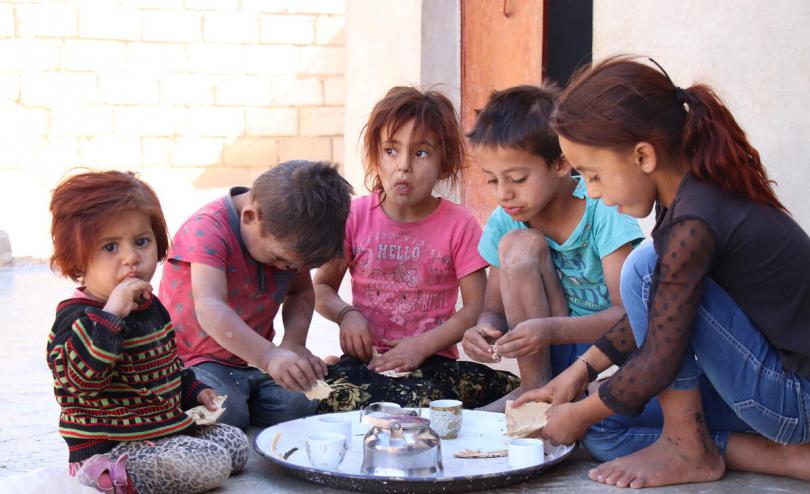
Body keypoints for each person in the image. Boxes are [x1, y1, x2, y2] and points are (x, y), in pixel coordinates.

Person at [514, 56, 810, 488]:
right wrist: (577, 377)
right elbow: (663, 316)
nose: (591, 192)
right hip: (765, 387)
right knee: (602, 427)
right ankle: (787, 460)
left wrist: (576, 413)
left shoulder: (696, 219)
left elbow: (660, 355)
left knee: (644, 269)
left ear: (642, 156)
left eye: (594, 176)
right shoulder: (686, 203)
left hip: (794, 399)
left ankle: (688, 447)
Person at [314, 86, 519, 411]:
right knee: (319, 398)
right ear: (375, 155)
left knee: (435, 400)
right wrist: (346, 315)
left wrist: (423, 345)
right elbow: (322, 287)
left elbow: (474, 308)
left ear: (444, 161)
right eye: (391, 150)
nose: (404, 166)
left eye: (421, 152)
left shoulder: (459, 224)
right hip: (369, 361)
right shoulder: (354, 217)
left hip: (433, 363)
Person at [47, 171, 248, 494]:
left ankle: (173, 452)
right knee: (210, 463)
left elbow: (166, 367)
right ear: (77, 260)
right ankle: (103, 475)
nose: (131, 258)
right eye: (110, 247)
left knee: (236, 444)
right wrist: (110, 316)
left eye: (141, 242)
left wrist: (196, 391)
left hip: (158, 430)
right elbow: (79, 382)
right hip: (110, 445)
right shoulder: (77, 316)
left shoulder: (151, 306)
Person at [461, 84, 644, 412]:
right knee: (517, 245)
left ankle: (579, 399)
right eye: (492, 180)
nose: (503, 194)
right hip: (546, 349)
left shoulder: (603, 209)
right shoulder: (506, 220)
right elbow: (493, 310)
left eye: (517, 179)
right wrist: (483, 330)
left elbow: (627, 315)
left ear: (561, 163)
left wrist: (551, 330)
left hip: (606, 354)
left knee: (611, 416)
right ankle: (535, 389)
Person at [159, 161, 353, 429]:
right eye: (281, 259)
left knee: (299, 402)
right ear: (250, 217)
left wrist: (293, 344)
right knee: (227, 414)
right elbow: (210, 305)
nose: (288, 270)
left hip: (254, 360)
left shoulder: (286, 234)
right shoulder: (207, 230)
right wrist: (270, 357)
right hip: (196, 360)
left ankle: (248, 395)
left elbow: (301, 292)